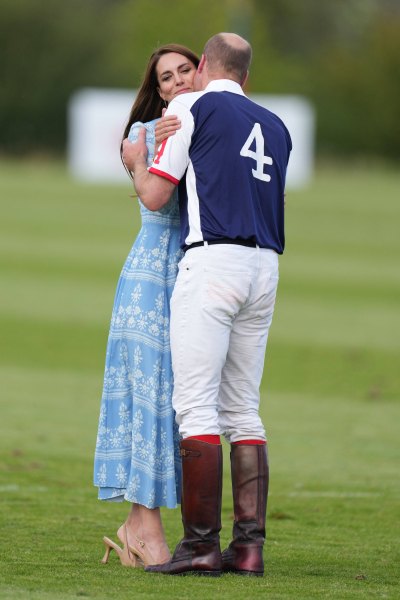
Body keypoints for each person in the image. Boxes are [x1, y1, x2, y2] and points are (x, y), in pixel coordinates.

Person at [122, 32, 292, 577]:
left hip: (213, 262)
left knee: (195, 407)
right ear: (247, 74)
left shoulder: (192, 106)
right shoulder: (276, 124)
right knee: (243, 409)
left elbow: (155, 194)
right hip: (265, 267)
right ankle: (248, 549)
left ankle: (199, 547)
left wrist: (133, 160)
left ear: (207, 65)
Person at [93, 43, 200, 568]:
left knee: (179, 402)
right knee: (150, 398)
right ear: (156, 90)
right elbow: (144, 185)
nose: (177, 81)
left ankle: (136, 525)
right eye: (167, 77)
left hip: (195, 277)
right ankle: (149, 531)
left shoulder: (209, 126)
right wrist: (138, 160)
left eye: (185, 71)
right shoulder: (144, 133)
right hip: (149, 278)